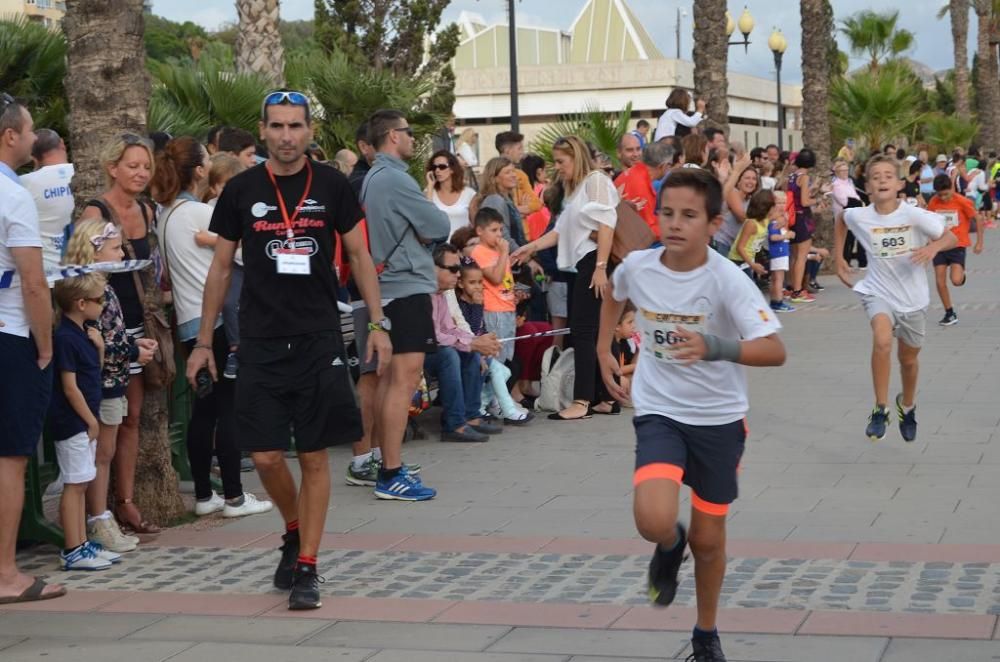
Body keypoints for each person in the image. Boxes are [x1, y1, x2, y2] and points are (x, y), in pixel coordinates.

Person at [186, 89, 392, 609]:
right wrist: (204, 341)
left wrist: (378, 324)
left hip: (320, 335)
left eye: (295, 126)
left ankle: (308, 566)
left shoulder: (333, 185)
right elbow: (219, 267)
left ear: (309, 131)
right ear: (262, 130)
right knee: (267, 455)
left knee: (317, 455)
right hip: (258, 338)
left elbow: (359, 256)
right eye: (276, 126)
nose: (285, 136)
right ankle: (294, 529)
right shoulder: (241, 190)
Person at [596, 167, 785, 662]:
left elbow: (774, 350)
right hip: (660, 410)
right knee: (653, 517)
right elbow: (615, 292)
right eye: (667, 213)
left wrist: (714, 347)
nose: (675, 224)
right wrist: (601, 350)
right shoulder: (640, 266)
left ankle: (705, 633)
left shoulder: (727, 279)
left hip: (720, 419)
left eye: (689, 215)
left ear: (712, 223)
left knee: (708, 540)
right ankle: (666, 544)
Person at [152, 136, 272, 519]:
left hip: (189, 322)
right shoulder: (202, 214)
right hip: (219, 319)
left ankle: (205, 494)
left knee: (204, 411)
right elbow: (249, 250)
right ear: (200, 170)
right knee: (229, 408)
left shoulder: (165, 215)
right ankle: (235, 496)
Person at [835, 155, 958, 443]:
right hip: (878, 291)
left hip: (912, 299)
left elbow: (950, 237)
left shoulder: (913, 214)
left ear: (900, 183)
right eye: (875, 176)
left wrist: (933, 249)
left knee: (909, 361)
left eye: (888, 175)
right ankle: (881, 408)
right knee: (882, 340)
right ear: (867, 186)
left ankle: (908, 405)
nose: (882, 180)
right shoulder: (860, 215)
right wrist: (839, 257)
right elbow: (841, 219)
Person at [361, 108, 450, 502]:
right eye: (409, 132)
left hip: (388, 283)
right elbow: (437, 226)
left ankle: (385, 462)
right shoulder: (395, 177)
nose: (414, 139)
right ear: (392, 136)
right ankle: (391, 474)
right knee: (403, 380)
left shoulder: (373, 177)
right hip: (404, 281)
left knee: (389, 381)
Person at [78, 133, 163, 538]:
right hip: (106, 325)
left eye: (146, 166)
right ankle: (98, 513)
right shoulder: (96, 210)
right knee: (107, 418)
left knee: (132, 417)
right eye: (132, 165)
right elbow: (80, 269)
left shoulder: (147, 209)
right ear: (112, 167)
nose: (141, 173)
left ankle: (125, 501)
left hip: (140, 324)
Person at [0, 93, 66, 603]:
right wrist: (45, 344)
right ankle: (6, 574)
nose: (32, 135)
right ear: (9, 136)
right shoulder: (14, 194)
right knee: (11, 457)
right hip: (11, 336)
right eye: (28, 129)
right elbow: (33, 280)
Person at [63, 220, 155, 552]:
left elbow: (110, 337)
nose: (121, 254)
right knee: (101, 455)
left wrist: (134, 346)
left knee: (105, 453)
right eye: (115, 248)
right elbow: (95, 342)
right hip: (102, 383)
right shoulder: (89, 291)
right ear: (95, 250)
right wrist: (133, 350)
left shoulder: (104, 286)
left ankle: (101, 517)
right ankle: (98, 519)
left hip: (113, 380)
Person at [512, 135, 619, 421]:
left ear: (576, 157)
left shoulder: (595, 181)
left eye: (561, 161)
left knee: (583, 331)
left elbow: (607, 225)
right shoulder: (577, 188)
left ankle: (582, 400)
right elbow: (561, 231)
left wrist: (599, 266)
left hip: (592, 263)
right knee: (593, 329)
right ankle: (605, 396)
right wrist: (531, 246)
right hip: (584, 264)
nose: (558, 167)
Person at [50, 273, 124, 570]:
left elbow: (93, 373)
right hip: (74, 421)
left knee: (82, 479)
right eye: (98, 300)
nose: (102, 304)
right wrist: (90, 421)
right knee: (76, 482)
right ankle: (73, 547)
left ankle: (81, 543)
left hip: (84, 419)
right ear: (81, 304)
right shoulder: (66, 337)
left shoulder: (83, 333)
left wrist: (101, 349)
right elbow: (70, 386)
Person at [425, 244, 503, 442]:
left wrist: (476, 342)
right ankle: (454, 424)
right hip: (416, 352)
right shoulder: (424, 293)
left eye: (458, 270)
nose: (458, 275)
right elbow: (433, 336)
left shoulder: (440, 293)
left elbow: (450, 329)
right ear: (433, 268)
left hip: (432, 347)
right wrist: (472, 343)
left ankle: (471, 417)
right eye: (453, 269)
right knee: (450, 355)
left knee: (471, 354)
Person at [926, 174, 983, 326]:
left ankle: (961, 276)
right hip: (939, 245)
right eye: (940, 194)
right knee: (939, 280)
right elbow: (928, 221)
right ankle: (949, 312)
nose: (943, 198)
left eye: (946, 193)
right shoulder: (933, 202)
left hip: (957, 244)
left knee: (956, 280)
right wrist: (928, 243)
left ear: (951, 188)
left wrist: (979, 243)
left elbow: (978, 218)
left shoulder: (962, 201)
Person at [19, 128, 74, 271]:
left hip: (47, 271)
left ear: (33, 157)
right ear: (62, 143)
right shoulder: (85, 175)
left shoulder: (24, 183)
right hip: (85, 270)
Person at [470, 207, 517, 363]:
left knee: (508, 357)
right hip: (494, 310)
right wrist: (504, 253)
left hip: (508, 307)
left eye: (501, 230)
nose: (499, 234)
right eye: (494, 230)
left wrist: (513, 293)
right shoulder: (479, 252)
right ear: (479, 231)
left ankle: (504, 386)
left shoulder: (498, 251)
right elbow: (496, 278)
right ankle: (494, 387)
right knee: (497, 358)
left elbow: (505, 279)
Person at [615, 142, 675, 235]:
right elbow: (648, 231)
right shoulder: (641, 185)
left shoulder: (636, 173)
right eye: (670, 166)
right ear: (664, 166)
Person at [473, 157, 526, 249]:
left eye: (513, 171)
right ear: (495, 179)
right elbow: (502, 237)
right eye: (507, 172)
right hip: (507, 258)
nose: (513, 175)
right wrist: (524, 257)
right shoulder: (495, 200)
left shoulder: (506, 199)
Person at [786, 149, 818, 304]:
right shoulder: (804, 177)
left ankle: (792, 287)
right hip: (802, 218)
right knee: (802, 256)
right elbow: (805, 201)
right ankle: (798, 291)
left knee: (794, 255)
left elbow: (796, 195)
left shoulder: (792, 176)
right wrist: (817, 200)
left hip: (791, 218)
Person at [425, 149, 475, 238]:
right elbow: (427, 219)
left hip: (462, 247)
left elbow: (476, 225)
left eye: (442, 167)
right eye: (434, 167)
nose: (437, 170)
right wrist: (430, 186)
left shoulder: (469, 194)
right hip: (438, 248)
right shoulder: (428, 192)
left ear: (452, 169)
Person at [717, 153, 759, 257]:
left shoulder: (750, 200)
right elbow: (741, 217)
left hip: (736, 247)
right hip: (722, 244)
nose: (751, 182)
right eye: (747, 178)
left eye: (754, 179)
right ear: (738, 181)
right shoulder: (732, 192)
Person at [728, 189, 774, 280]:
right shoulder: (751, 223)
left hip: (748, 261)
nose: (775, 207)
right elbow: (739, 247)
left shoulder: (765, 220)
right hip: (738, 261)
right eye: (773, 205)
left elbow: (778, 216)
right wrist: (752, 265)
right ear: (766, 207)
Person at [495, 131, 542, 216]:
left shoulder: (521, 175)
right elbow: (497, 209)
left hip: (523, 228)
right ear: (507, 150)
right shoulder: (492, 173)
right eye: (519, 148)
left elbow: (537, 203)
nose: (522, 152)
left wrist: (515, 210)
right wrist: (520, 209)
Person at [767, 191, 795, 313]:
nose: (782, 205)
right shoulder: (774, 221)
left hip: (782, 251)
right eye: (778, 203)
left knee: (777, 278)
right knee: (778, 279)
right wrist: (786, 236)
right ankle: (778, 302)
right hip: (778, 252)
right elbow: (772, 237)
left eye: (784, 202)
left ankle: (774, 301)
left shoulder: (781, 219)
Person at [521, 153, 551, 242]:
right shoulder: (545, 188)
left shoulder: (523, 191)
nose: (547, 174)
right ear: (539, 172)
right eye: (545, 170)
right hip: (546, 236)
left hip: (529, 237)